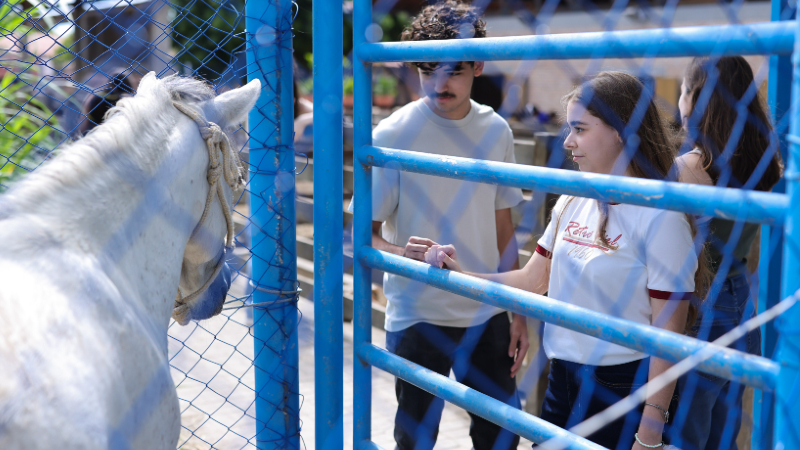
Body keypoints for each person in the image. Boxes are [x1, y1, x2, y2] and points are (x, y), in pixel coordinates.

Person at [425, 71, 708, 450]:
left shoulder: (662, 218)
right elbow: (533, 280)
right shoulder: (573, 199)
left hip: (624, 384)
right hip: (561, 374)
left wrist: (650, 431)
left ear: (621, 131)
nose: (569, 141)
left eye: (580, 129)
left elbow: (668, 335)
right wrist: (460, 275)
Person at [348, 2, 527, 449]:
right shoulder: (393, 134)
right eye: (428, 71)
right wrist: (400, 253)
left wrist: (519, 308)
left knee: (500, 434)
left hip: (486, 308)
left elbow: (503, 226)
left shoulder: (496, 130)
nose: (439, 83)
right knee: (415, 439)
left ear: (478, 65)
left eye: (453, 71)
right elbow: (361, 235)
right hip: (418, 313)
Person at [668, 56, 783, 450]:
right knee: (722, 434)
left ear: (696, 98)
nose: (679, 102)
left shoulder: (685, 168)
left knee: (686, 433)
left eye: (683, 91)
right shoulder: (765, 160)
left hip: (697, 306)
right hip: (741, 304)